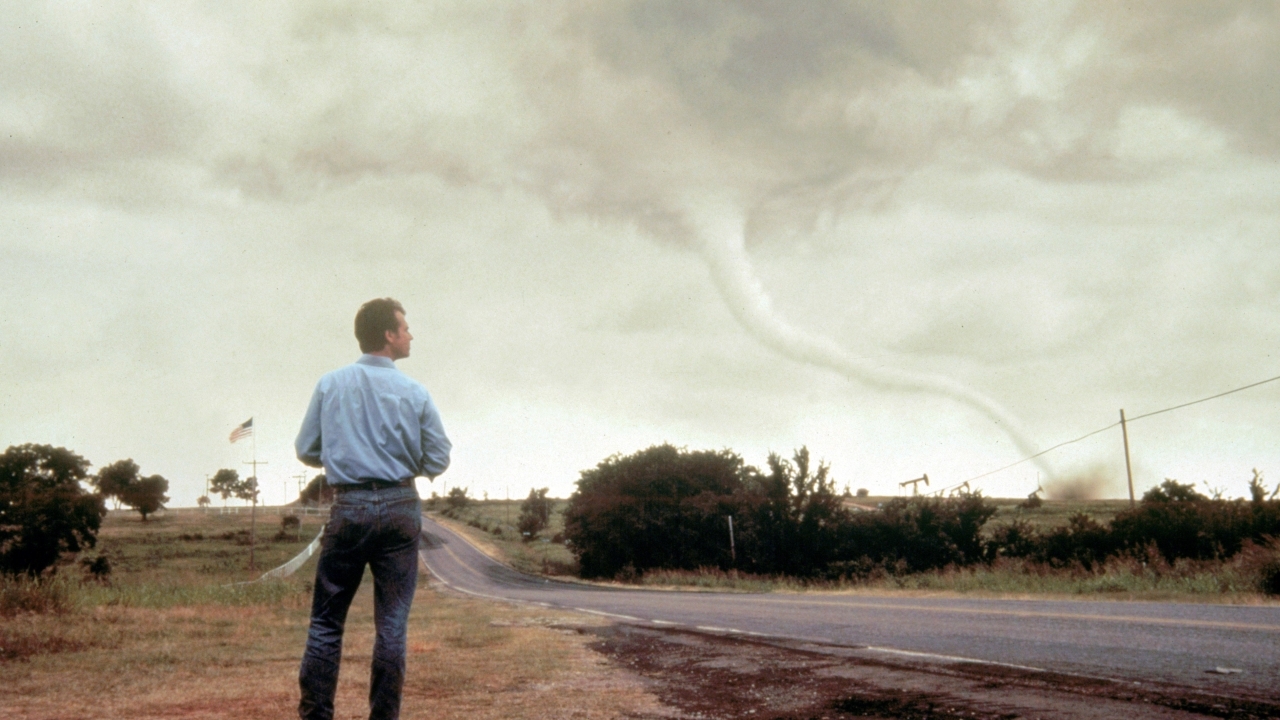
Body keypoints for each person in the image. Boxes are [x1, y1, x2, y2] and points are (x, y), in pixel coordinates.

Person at [295, 297, 451, 720]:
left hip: (349, 504)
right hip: (400, 505)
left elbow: (306, 449)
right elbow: (438, 458)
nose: (410, 334)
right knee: (392, 624)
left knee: (326, 622)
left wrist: (344, 455)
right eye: (405, 327)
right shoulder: (415, 392)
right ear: (388, 334)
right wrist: (404, 463)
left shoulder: (330, 384)